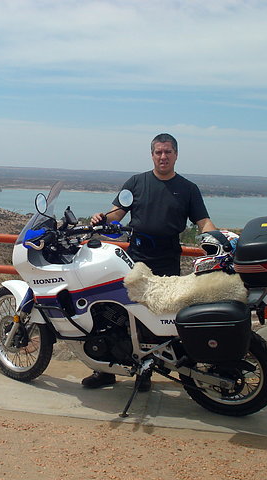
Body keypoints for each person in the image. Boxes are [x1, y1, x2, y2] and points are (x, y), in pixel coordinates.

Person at [82, 132, 217, 391]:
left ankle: (146, 373)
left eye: (168, 152)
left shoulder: (188, 189)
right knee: (118, 315)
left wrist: (219, 239)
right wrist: (101, 218)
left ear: (176, 154)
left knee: (158, 319)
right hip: (135, 260)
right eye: (158, 152)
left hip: (167, 262)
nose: (163, 157)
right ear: (152, 155)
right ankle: (105, 370)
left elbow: (204, 222)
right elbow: (116, 215)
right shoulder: (136, 183)